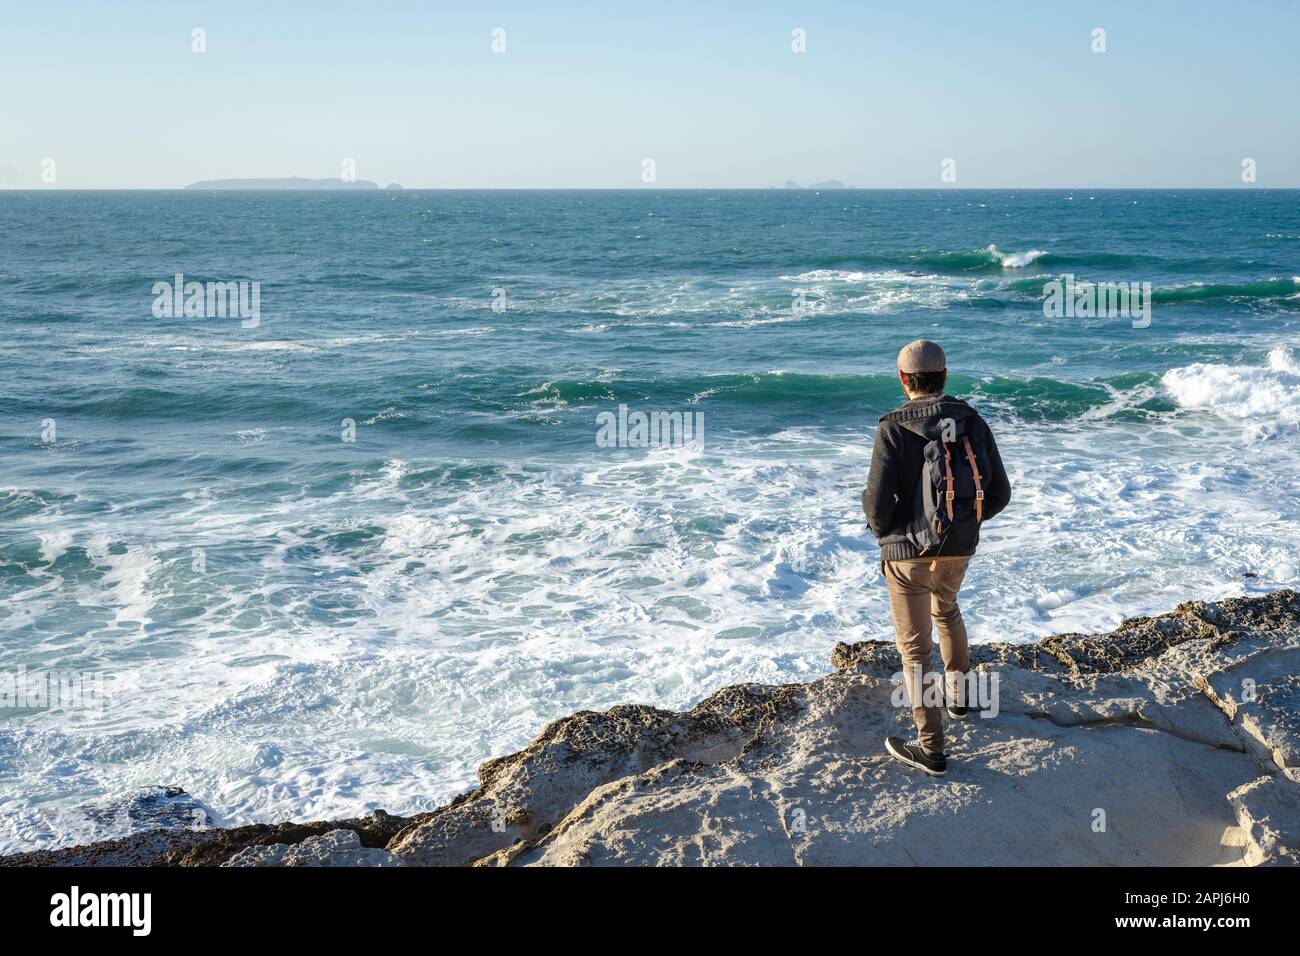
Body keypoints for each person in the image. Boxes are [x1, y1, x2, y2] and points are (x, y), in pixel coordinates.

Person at [862, 339, 1011, 777]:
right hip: (958, 547)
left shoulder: (893, 426)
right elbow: (999, 493)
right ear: (944, 377)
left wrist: (890, 534)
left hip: (908, 554)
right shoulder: (971, 421)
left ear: (903, 380)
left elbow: (876, 502)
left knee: (914, 651)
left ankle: (932, 750)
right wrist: (964, 526)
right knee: (946, 611)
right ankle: (960, 699)